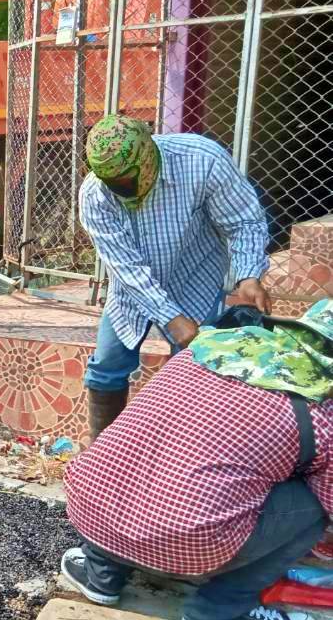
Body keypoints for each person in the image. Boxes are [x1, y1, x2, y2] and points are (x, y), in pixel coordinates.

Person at [60, 300, 333, 620]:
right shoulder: (320, 409)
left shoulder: (200, 351)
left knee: (132, 465)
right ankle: (222, 609)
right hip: (185, 539)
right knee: (314, 506)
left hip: (90, 508)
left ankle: (100, 574)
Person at [79, 114, 270, 438]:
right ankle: (102, 459)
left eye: (126, 180)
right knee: (106, 369)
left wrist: (248, 276)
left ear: (147, 158)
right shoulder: (95, 196)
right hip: (133, 291)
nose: (119, 189)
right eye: (111, 182)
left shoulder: (201, 160)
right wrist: (171, 318)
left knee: (195, 371)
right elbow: (126, 268)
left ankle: (181, 457)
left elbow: (243, 222)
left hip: (194, 277)